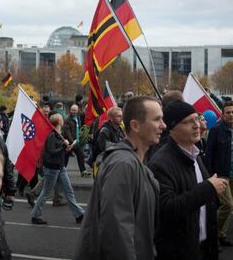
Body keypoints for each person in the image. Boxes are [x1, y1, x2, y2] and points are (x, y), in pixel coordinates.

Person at [74, 96, 165, 259]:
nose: (163, 126)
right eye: (157, 119)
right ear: (135, 125)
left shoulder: (136, 162)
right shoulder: (123, 165)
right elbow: (116, 233)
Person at [148, 101, 226, 260]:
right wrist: (208, 188)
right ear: (172, 128)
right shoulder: (160, 164)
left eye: (197, 119)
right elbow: (167, 209)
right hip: (179, 252)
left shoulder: (196, 156)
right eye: (188, 122)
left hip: (203, 248)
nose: (196, 125)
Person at [31, 113, 85, 225]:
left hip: (60, 167)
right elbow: (51, 151)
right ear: (59, 121)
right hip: (52, 168)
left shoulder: (58, 134)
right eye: (61, 118)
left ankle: (79, 214)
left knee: (69, 191)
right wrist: (63, 146)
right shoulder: (52, 135)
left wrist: (67, 148)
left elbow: (59, 151)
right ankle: (35, 215)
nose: (63, 119)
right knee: (46, 192)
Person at [205, 100, 233, 247]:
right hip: (222, 174)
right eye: (228, 112)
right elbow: (209, 153)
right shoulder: (216, 130)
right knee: (227, 205)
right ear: (222, 114)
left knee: (229, 207)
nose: (231, 115)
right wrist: (210, 175)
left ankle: (221, 235)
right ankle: (210, 234)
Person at [63, 104, 91, 177]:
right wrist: (72, 142)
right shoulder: (67, 119)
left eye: (74, 110)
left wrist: (81, 137)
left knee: (80, 155)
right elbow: (67, 132)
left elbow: (78, 128)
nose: (73, 112)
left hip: (76, 141)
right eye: (72, 110)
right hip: (70, 143)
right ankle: (62, 172)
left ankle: (83, 171)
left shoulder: (78, 117)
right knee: (65, 158)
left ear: (77, 111)